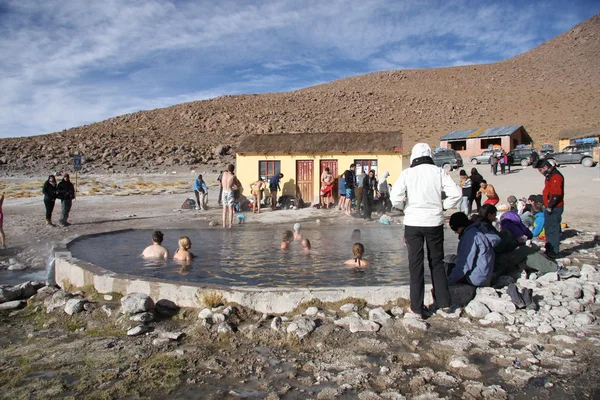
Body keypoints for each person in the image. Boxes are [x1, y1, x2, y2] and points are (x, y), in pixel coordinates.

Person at [390, 143, 461, 317]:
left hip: (413, 222)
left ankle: (416, 307)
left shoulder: (408, 173)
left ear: (413, 157)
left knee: (415, 265)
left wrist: (403, 207)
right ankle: (444, 302)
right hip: (434, 222)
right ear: (430, 155)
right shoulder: (438, 172)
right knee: (436, 262)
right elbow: (457, 194)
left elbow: (395, 197)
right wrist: (444, 206)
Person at [447, 212, 501, 287]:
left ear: (458, 226)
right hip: (485, 275)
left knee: (445, 265)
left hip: (476, 278)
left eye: (455, 230)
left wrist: (448, 282)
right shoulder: (478, 230)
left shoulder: (470, 236)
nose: (456, 233)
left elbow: (464, 264)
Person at [535, 159, 564, 258]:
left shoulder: (556, 176)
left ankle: (554, 251)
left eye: (540, 170)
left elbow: (556, 194)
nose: (540, 173)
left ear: (545, 167)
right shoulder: (549, 176)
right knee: (548, 228)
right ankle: (549, 249)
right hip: (548, 206)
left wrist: (550, 206)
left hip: (554, 207)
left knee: (553, 229)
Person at [221, 164, 241, 229]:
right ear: (233, 169)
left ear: (228, 169)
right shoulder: (233, 176)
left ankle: (224, 224)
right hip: (229, 191)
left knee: (224, 209)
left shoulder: (224, 173)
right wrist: (234, 188)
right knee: (230, 209)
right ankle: (230, 225)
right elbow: (238, 185)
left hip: (224, 191)